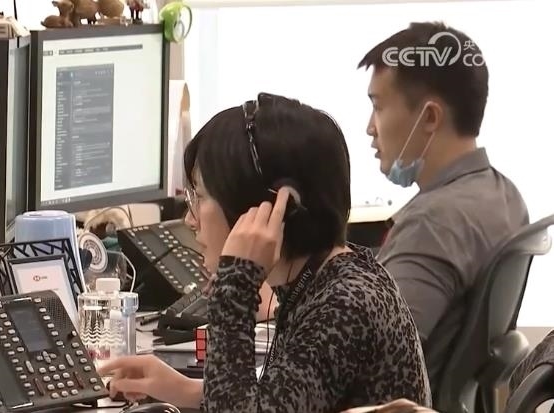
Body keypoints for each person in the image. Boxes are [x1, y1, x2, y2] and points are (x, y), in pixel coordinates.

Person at [100, 93, 430, 412]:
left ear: (271, 207)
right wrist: (190, 391)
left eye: (199, 196)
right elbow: (286, 400)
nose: (190, 219)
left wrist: (235, 286)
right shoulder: (336, 277)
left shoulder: (346, 305)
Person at [357, 22, 529, 383]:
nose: (370, 128)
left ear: (430, 117)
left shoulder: (433, 223)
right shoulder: (505, 195)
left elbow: (367, 364)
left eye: (378, 107)